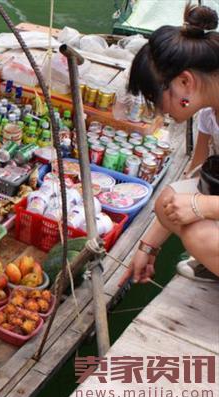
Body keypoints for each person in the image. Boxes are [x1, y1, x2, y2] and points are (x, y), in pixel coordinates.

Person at [120, 4, 219, 286]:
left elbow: (200, 201)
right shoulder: (210, 114)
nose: (159, 112)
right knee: (168, 201)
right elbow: (195, 177)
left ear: (185, 81)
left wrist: (203, 207)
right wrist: (147, 246)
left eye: (155, 97)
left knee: (200, 234)